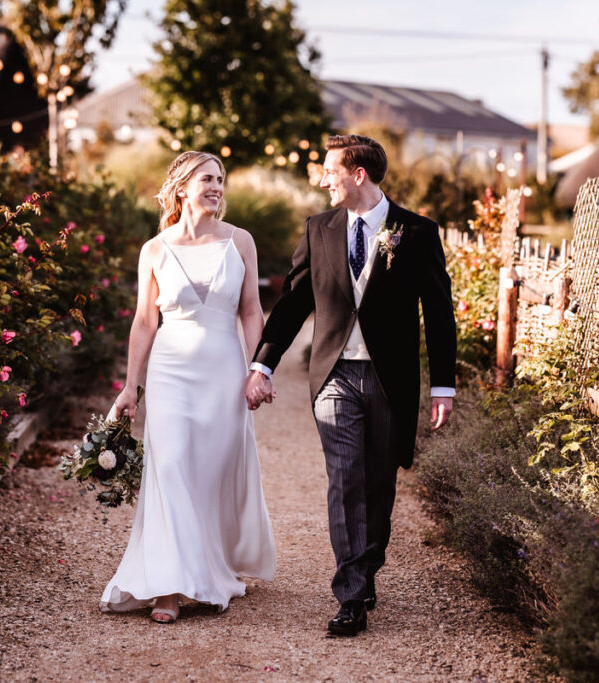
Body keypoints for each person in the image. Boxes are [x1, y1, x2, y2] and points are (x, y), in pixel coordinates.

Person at [245, 134, 456, 636]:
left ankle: (365, 566)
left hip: (390, 379)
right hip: (334, 376)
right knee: (345, 480)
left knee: (378, 484)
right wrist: (263, 365)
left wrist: (443, 386)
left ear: (357, 174)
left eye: (329, 170)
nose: (322, 179)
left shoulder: (417, 232)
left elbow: (440, 313)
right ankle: (350, 593)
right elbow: (293, 304)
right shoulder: (318, 229)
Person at [102, 151, 276, 624]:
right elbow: (144, 321)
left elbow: (251, 312)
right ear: (182, 187)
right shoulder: (155, 249)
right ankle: (170, 587)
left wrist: (259, 369)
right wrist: (130, 387)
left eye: (220, 178)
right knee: (173, 465)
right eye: (207, 178)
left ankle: (208, 566)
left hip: (223, 372)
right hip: (170, 371)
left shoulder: (240, 242)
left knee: (209, 472)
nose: (217, 186)